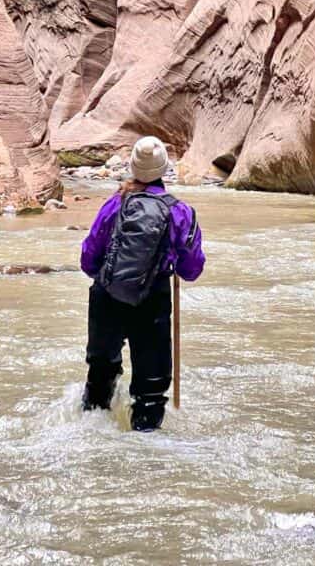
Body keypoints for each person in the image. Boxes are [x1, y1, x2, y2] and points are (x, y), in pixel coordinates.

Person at [79, 136, 205, 431]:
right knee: (150, 391)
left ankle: (91, 439)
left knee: (100, 376)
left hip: (106, 297)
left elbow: (88, 259)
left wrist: (113, 279)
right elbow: (192, 269)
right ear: (164, 170)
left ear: (133, 167)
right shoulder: (180, 212)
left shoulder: (114, 203)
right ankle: (146, 456)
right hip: (152, 301)